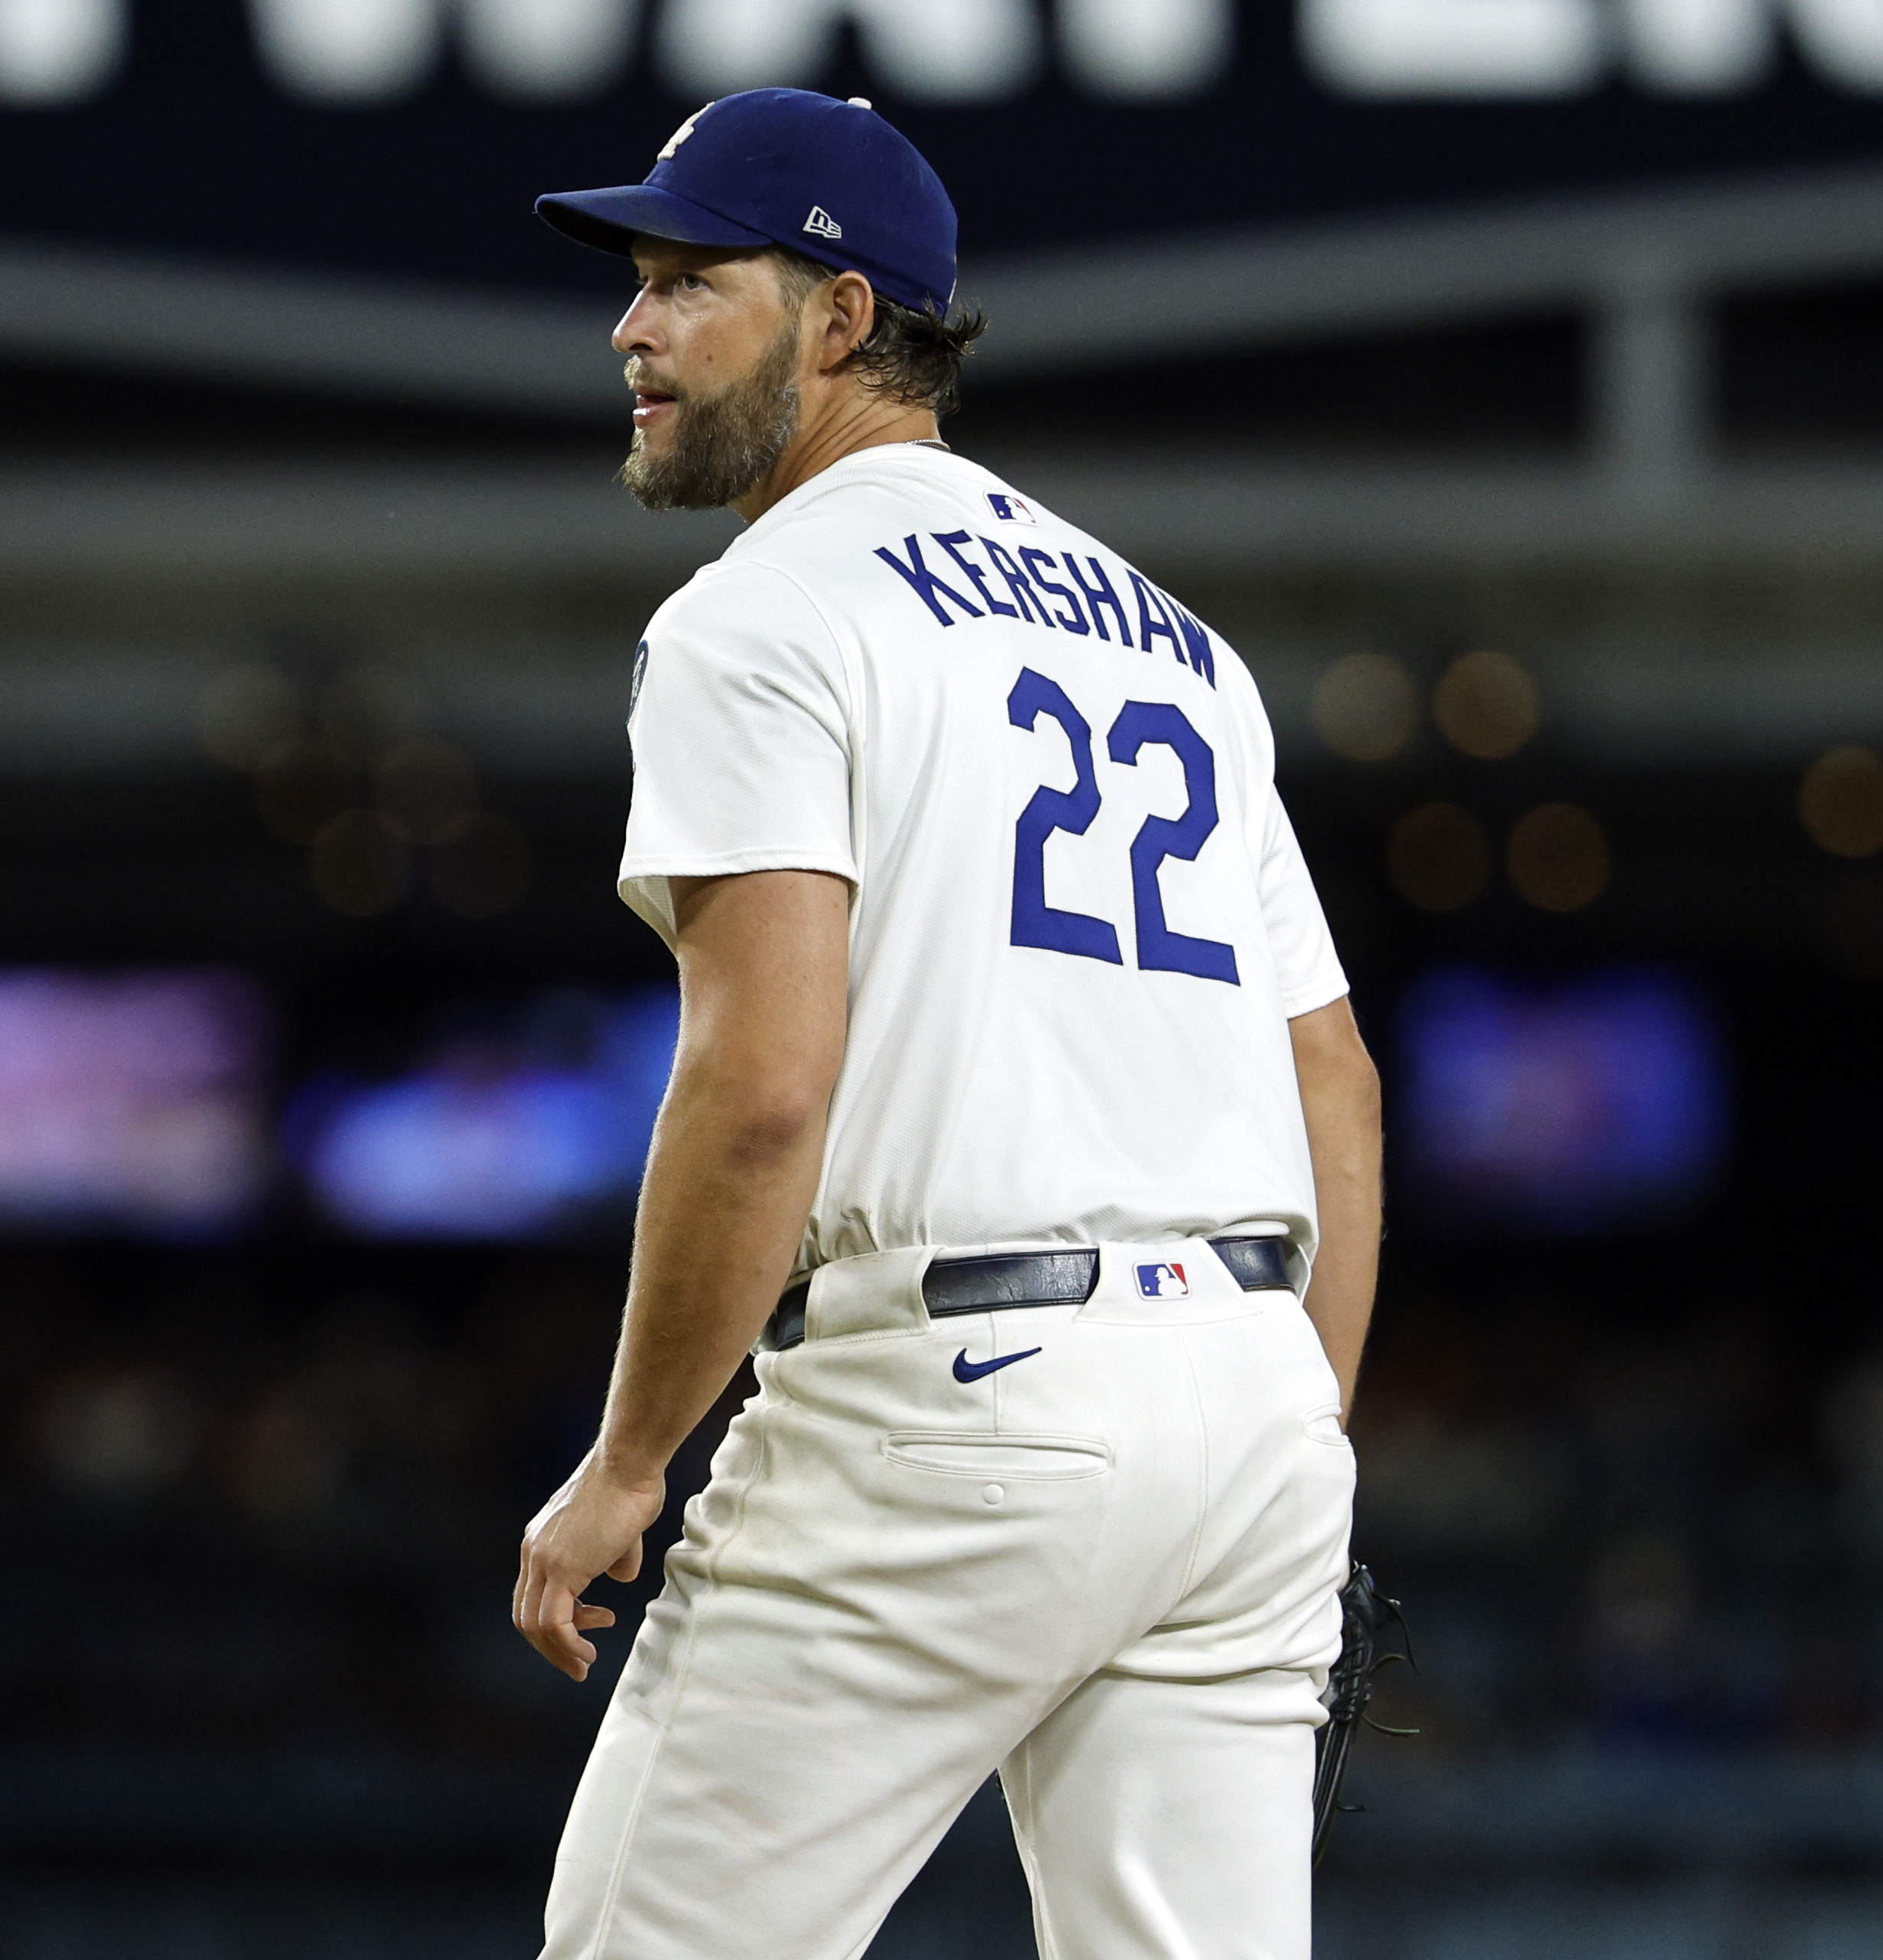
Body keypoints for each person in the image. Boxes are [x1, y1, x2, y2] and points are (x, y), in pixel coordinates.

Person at [512, 87, 1383, 1960]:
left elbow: (761, 1094)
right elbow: (1339, 1087)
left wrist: (633, 1460)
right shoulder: (1172, 639)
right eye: (638, 284)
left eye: (687, 281)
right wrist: (1287, 1433)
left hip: (960, 1397)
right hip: (1247, 1406)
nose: (631, 330)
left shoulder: (771, 611)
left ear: (838, 319)